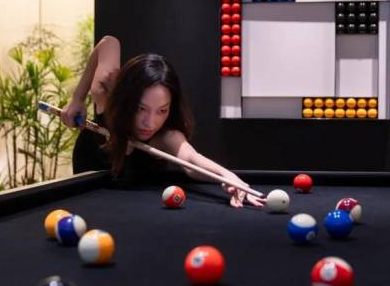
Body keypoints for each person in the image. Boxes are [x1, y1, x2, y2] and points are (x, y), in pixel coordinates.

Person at [61, 35, 264, 208]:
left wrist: (228, 176)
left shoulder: (166, 136)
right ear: (127, 101)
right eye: (141, 108)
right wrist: (77, 99)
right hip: (87, 173)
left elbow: (192, 161)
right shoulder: (107, 97)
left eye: (162, 111)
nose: (150, 123)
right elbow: (108, 42)